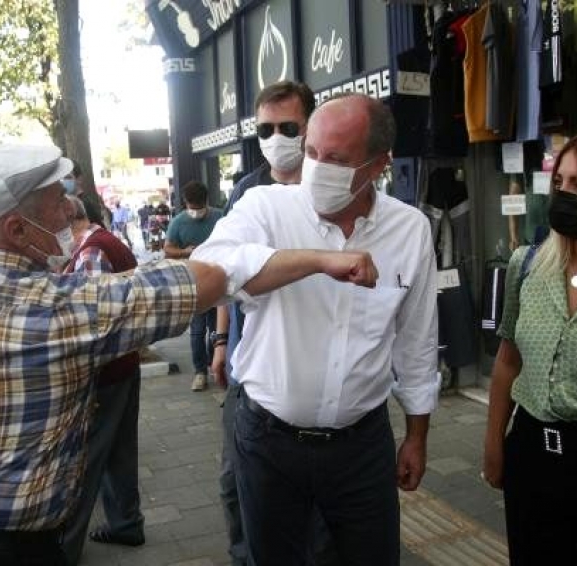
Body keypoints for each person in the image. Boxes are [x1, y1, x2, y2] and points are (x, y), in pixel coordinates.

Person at [0, 143, 376, 565]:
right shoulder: (69, 312)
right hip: (17, 551)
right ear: (16, 230)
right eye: (57, 203)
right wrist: (323, 258)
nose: (71, 211)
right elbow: (212, 278)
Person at [193, 94, 439, 565]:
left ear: (379, 165)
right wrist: (318, 261)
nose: (318, 169)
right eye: (311, 153)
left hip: (362, 445)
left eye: (337, 159)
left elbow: (417, 341)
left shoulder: (410, 230)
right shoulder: (266, 207)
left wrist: (417, 435)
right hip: (268, 441)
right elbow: (210, 270)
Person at [482, 128, 577, 566]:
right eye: (559, 182)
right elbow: (508, 361)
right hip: (532, 454)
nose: (563, 194)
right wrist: (493, 444)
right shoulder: (527, 265)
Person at [209, 80, 328, 566]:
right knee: (235, 486)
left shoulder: (330, 187)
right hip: (248, 365)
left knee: (316, 509)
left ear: (309, 127)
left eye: (287, 127)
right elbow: (223, 269)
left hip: (312, 368)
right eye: (264, 128)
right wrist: (220, 341)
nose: (275, 137)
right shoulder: (247, 189)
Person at [60, 195, 144, 565]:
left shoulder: (92, 251)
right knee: (120, 450)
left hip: (104, 370)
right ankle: (126, 522)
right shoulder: (108, 241)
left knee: (88, 458)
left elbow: (88, 319)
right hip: (123, 363)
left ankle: (68, 545)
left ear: (68, 220)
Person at [164, 181, 223, 392]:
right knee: (197, 331)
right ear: (185, 203)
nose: (196, 211)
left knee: (217, 329)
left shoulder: (220, 217)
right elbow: (168, 249)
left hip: (220, 283)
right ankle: (200, 372)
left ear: (206, 201)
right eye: (192, 206)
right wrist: (186, 251)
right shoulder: (178, 222)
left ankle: (214, 363)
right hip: (192, 284)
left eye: (200, 206)